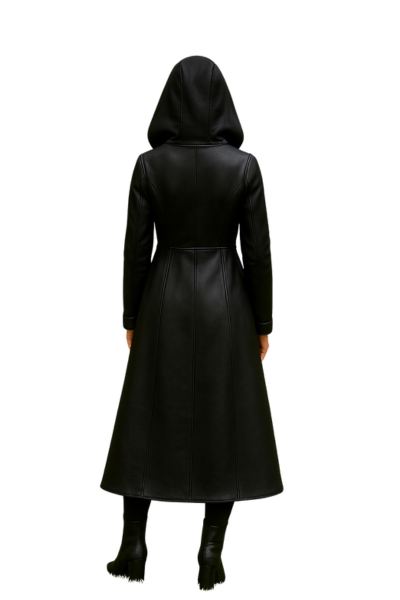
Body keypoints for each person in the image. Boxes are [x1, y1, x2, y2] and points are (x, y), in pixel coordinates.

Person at [100, 55, 284, 591]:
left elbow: (135, 249)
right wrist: (263, 321)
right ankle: (210, 551)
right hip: (228, 302)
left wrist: (131, 314)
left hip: (163, 298)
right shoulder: (244, 167)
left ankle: (133, 545)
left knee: (144, 417)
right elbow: (259, 252)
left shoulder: (148, 166)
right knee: (225, 420)